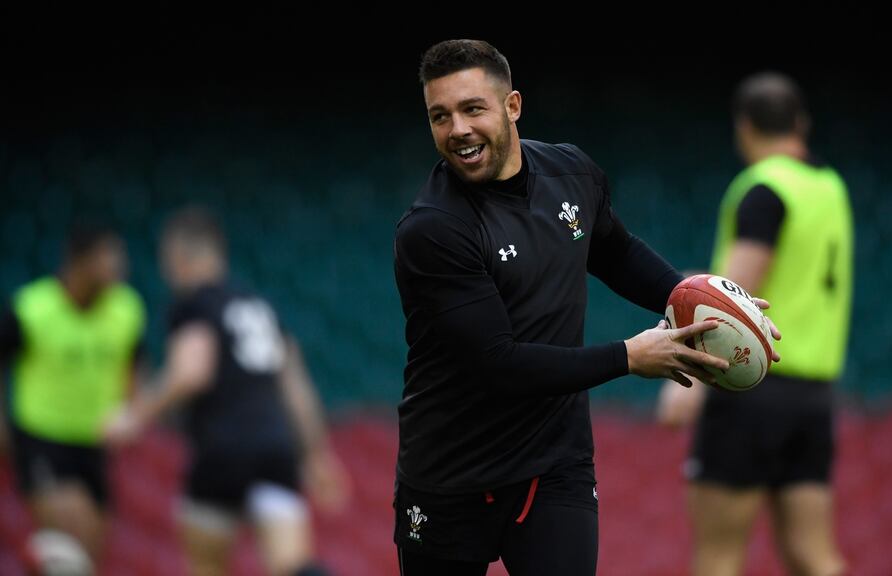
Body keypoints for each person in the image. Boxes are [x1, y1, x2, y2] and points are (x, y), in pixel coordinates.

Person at [393, 39, 780, 576]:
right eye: (440, 115)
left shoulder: (572, 173)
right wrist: (628, 356)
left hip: (555, 464)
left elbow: (615, 252)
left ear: (512, 106)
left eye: (472, 108)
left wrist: (692, 302)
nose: (456, 129)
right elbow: (497, 364)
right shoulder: (433, 228)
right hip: (451, 473)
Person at [657, 72, 853, 576]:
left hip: (751, 387)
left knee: (719, 558)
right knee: (815, 556)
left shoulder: (763, 189)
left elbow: (729, 302)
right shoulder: (830, 187)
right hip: (814, 394)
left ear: (743, 128)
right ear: (801, 123)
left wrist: (690, 382)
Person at [104, 207, 349, 576]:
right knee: (293, 567)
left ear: (179, 256)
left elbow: (190, 371)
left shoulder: (195, 304)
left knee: (206, 566)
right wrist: (316, 454)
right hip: (274, 450)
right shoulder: (259, 307)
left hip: (222, 451)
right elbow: (296, 386)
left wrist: (134, 416)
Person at [0, 219, 145, 568]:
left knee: (88, 556)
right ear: (80, 262)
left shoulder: (126, 308)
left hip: (95, 444)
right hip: (42, 440)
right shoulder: (32, 308)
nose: (119, 269)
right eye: (109, 259)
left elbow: (135, 364)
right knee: (72, 547)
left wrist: (132, 411)